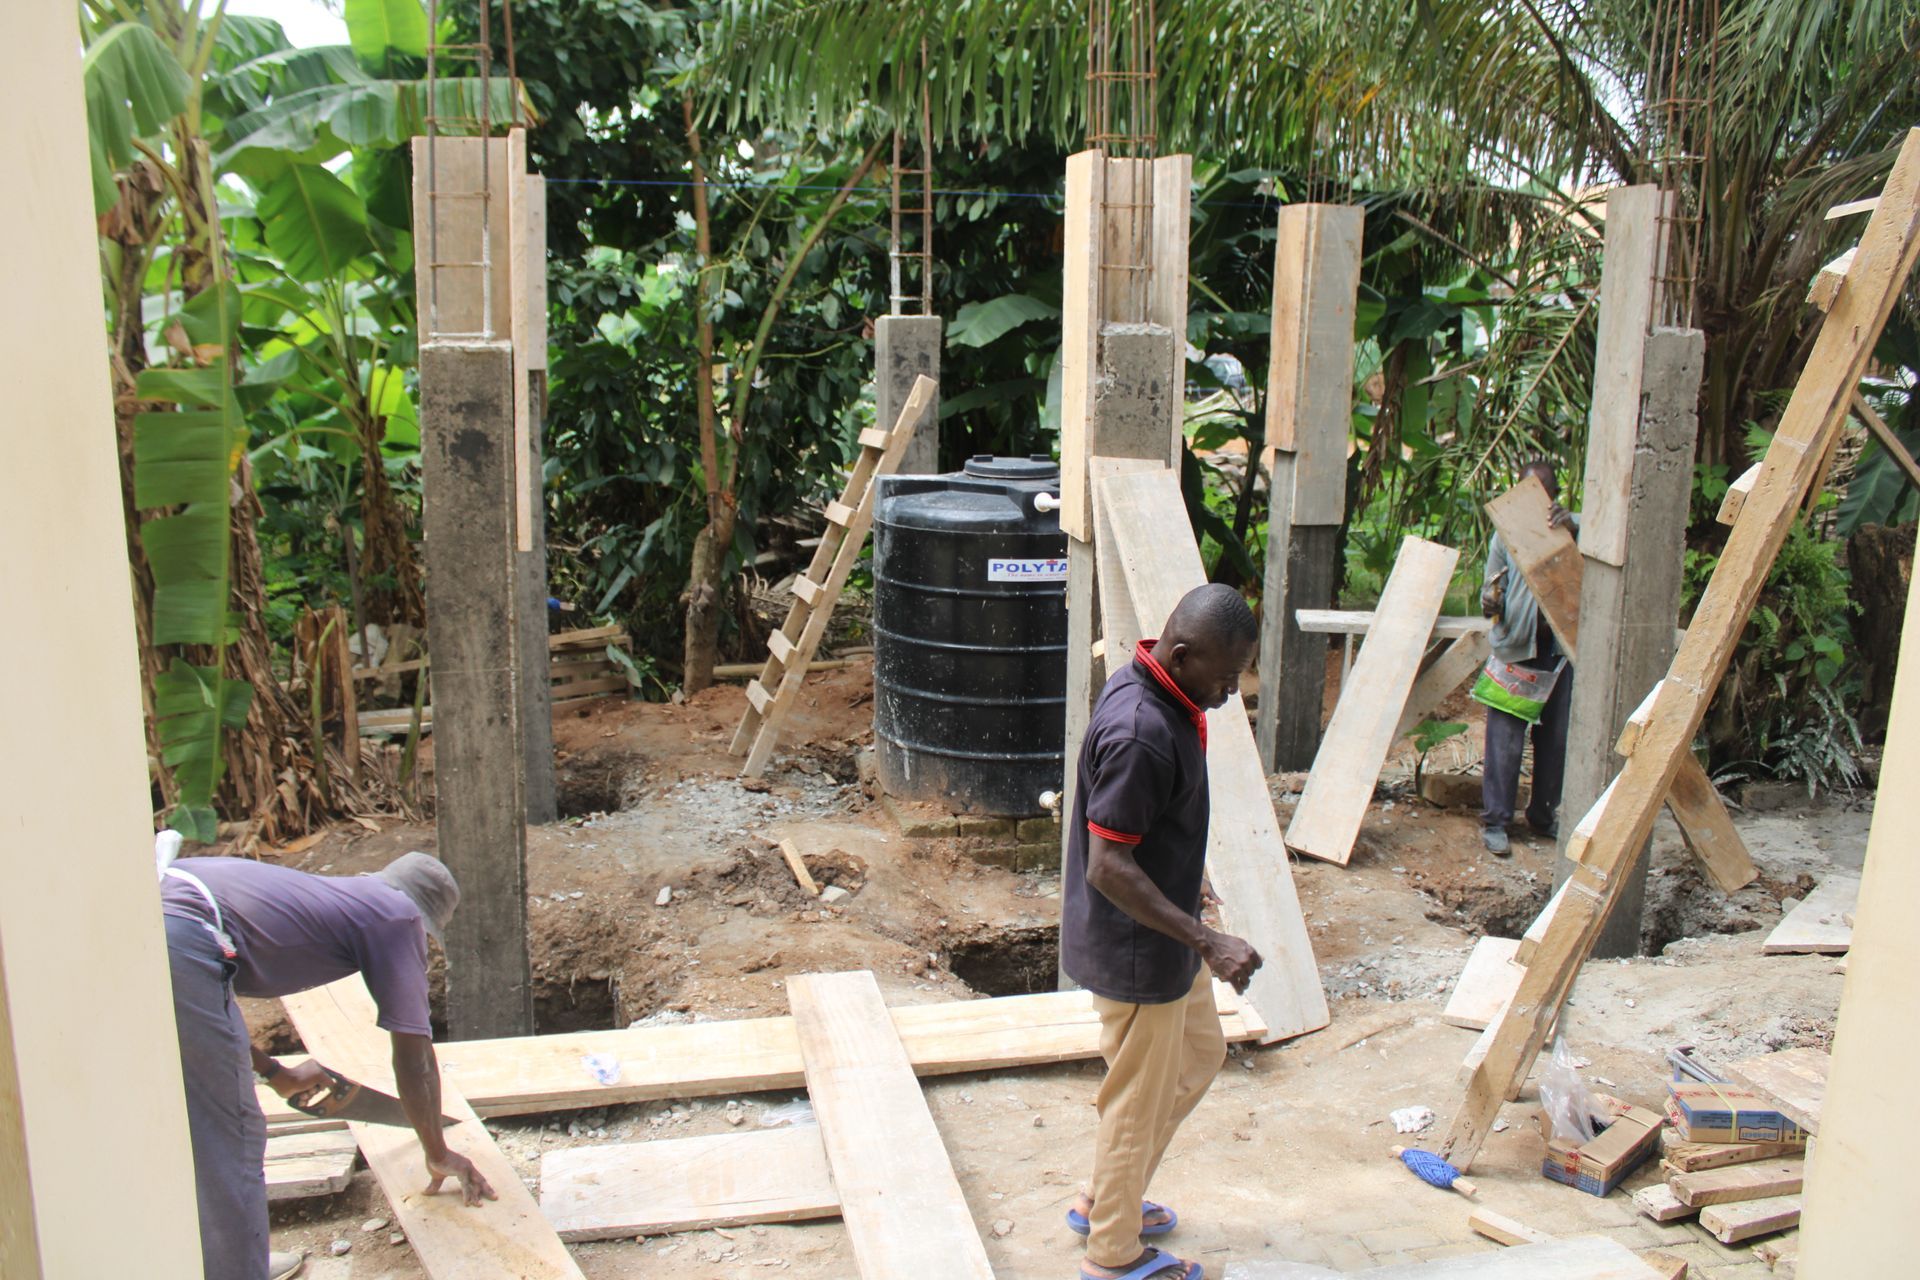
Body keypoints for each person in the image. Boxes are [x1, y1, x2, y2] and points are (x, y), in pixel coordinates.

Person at [161, 850, 497, 1280]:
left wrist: (273, 1073)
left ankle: (217, 1261)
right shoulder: (397, 918)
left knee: (189, 1120)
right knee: (235, 1130)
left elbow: (210, 1001)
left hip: (160, 915)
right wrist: (438, 1151)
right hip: (185, 934)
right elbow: (416, 1061)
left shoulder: (340, 899)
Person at [1060, 583, 1264, 1280]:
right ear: (1180, 655)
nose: (1231, 693)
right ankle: (1112, 1253)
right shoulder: (1143, 732)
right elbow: (1109, 865)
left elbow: (1148, 826)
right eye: (1225, 678)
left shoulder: (1158, 688)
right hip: (1141, 949)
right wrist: (1209, 940)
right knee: (1137, 1099)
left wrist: (1190, 878)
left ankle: (1106, 1197)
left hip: (1166, 935)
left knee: (1198, 1056)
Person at [1477, 458, 1577, 855]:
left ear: (1552, 495)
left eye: (1540, 491)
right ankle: (1497, 822)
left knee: (1555, 741)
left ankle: (1542, 814)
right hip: (1517, 648)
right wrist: (1490, 601)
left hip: (1558, 651)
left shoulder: (1569, 530)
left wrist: (1573, 523)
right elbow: (1490, 589)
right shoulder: (1506, 534)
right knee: (1504, 743)